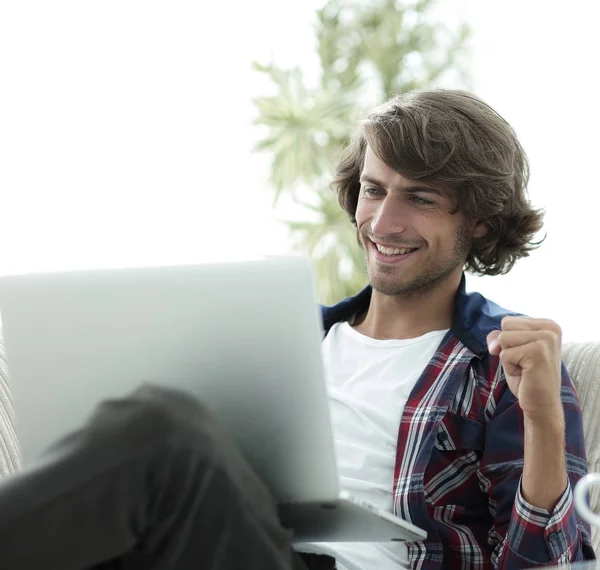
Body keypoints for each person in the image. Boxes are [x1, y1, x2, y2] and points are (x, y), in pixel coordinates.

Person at [0, 89, 595, 570]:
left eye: (419, 198)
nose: (383, 222)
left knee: (161, 428)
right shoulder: (287, 339)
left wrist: (542, 419)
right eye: (373, 189)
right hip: (223, 545)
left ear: (482, 226)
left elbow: (547, 562)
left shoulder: (504, 364)